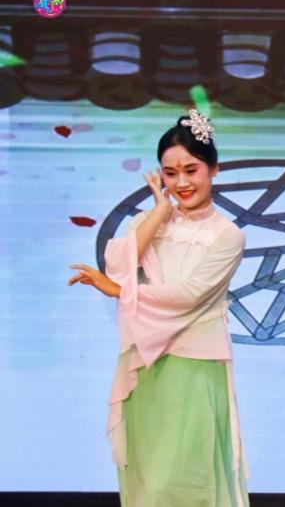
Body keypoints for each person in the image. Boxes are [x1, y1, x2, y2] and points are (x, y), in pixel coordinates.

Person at [68, 110, 249, 507]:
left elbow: (190, 294)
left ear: (214, 169)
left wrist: (120, 291)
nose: (181, 183)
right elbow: (119, 265)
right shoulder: (149, 222)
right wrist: (159, 212)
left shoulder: (227, 235)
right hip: (144, 363)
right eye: (170, 173)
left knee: (187, 478)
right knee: (147, 481)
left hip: (195, 364)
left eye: (191, 170)